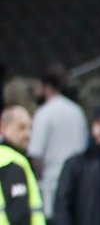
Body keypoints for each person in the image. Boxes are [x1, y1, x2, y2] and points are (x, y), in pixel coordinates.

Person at [28, 67, 88, 207]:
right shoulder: (77, 111)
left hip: (52, 183)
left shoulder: (44, 113)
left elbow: (36, 154)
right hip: (78, 182)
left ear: (47, 87)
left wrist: (39, 176)